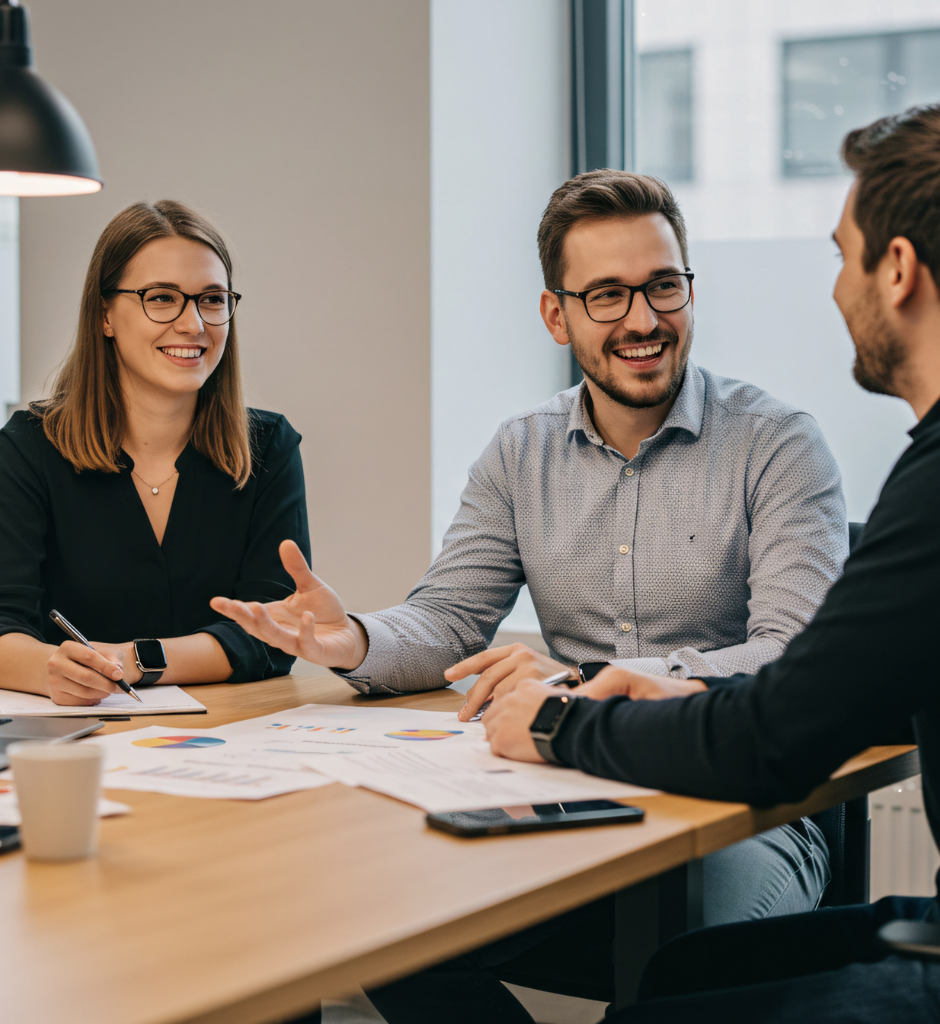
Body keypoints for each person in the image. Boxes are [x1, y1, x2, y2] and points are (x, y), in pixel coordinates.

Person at [214, 171, 847, 1022]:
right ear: (558, 315)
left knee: (684, 982)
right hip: (577, 793)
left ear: (690, 288)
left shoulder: (777, 445)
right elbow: (448, 618)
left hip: (738, 808)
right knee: (386, 929)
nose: (643, 320)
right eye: (608, 295)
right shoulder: (521, 453)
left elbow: (792, 655)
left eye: (663, 286)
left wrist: (595, 683)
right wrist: (355, 642)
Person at [482, 101, 940, 1024]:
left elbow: (779, 739)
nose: (835, 289)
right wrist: (695, 692)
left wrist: (558, 725)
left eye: (841, 254)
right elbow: (862, 686)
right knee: (678, 977)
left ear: (897, 271)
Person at [0, 200, 310, 706]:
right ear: (105, 314)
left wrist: (134, 660)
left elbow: (273, 630)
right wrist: (48, 668)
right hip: (74, 731)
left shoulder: (268, 446)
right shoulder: (26, 449)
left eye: (211, 300)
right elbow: (2, 623)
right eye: (161, 298)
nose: (193, 324)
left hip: (237, 731)